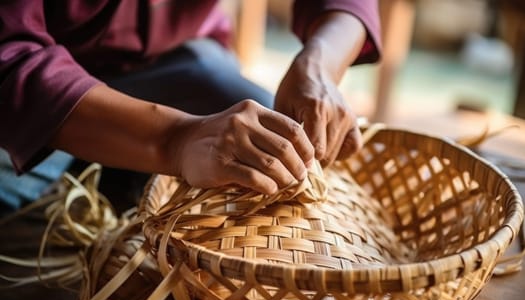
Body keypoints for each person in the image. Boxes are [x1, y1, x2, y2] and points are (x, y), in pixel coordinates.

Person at [0, 0, 381, 211]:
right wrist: (176, 140)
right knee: (17, 205)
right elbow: (10, 57)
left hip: (174, 58)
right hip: (32, 86)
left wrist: (319, 63)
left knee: (269, 157)